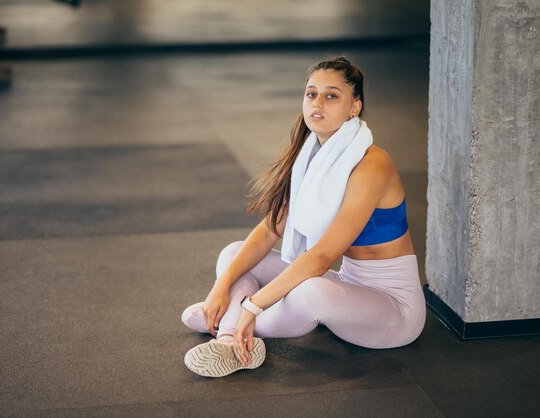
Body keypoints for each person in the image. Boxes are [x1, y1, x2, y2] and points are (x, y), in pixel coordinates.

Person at [181, 56, 426, 378]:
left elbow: (322, 256)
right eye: (311, 94)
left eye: (332, 95)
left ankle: (229, 329)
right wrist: (220, 288)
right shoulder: (311, 157)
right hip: (347, 288)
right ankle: (231, 326)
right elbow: (270, 230)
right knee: (234, 253)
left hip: (392, 311)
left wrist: (250, 306)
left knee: (309, 291)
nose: (318, 103)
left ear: (355, 107)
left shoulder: (372, 164)